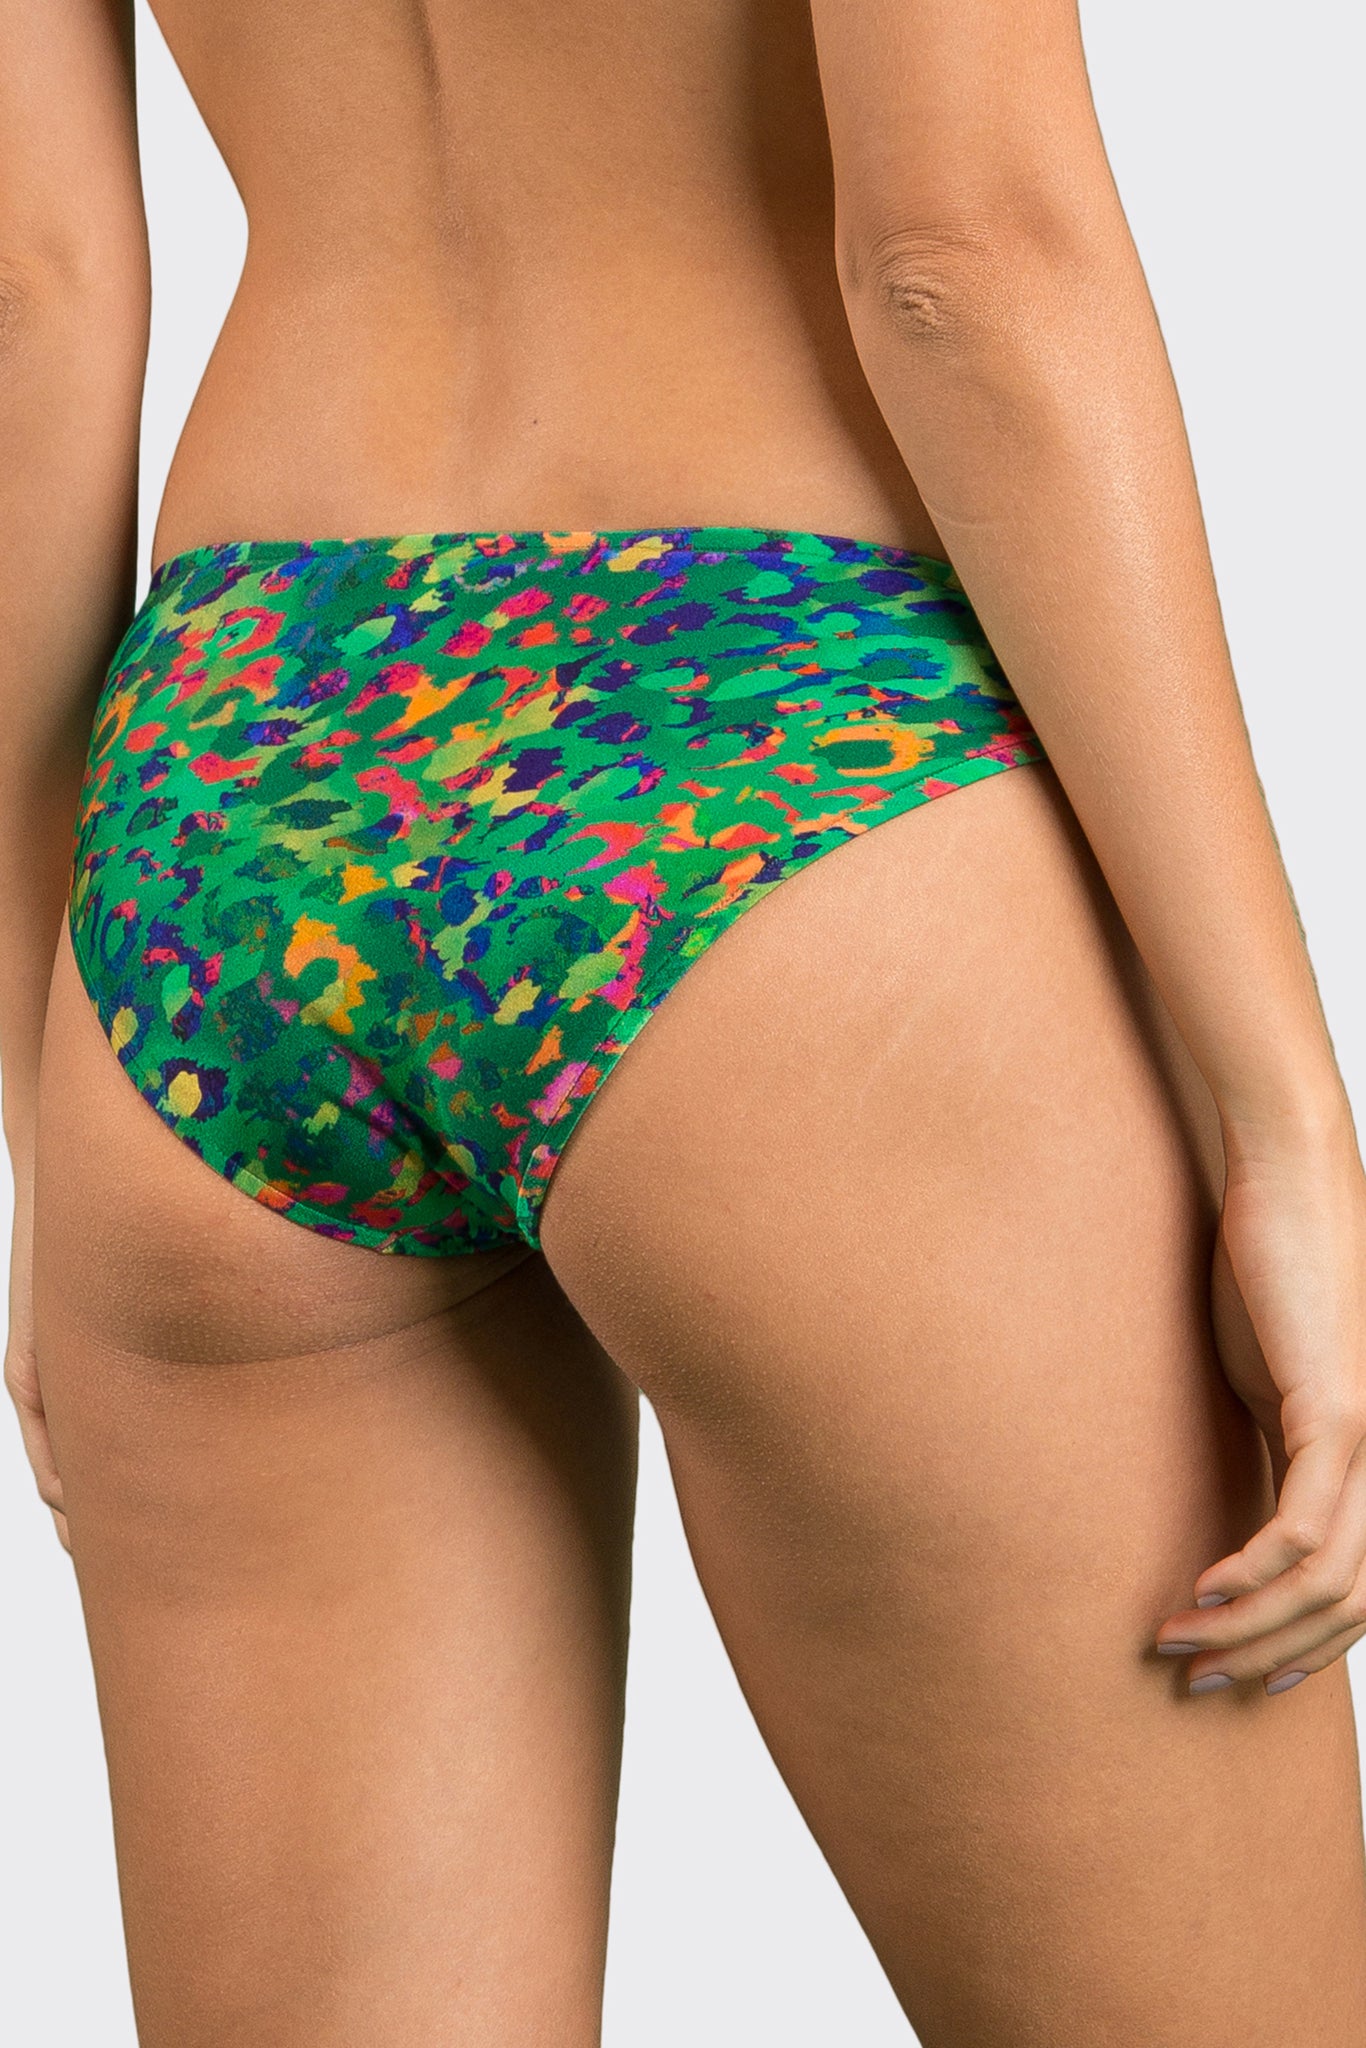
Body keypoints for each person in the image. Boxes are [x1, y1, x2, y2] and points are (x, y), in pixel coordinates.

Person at [3, 0, 1364, 2040]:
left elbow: (26, 295)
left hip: (227, 795)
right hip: (760, 732)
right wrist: (1281, 1115)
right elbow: (959, 257)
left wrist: (51, 1081)